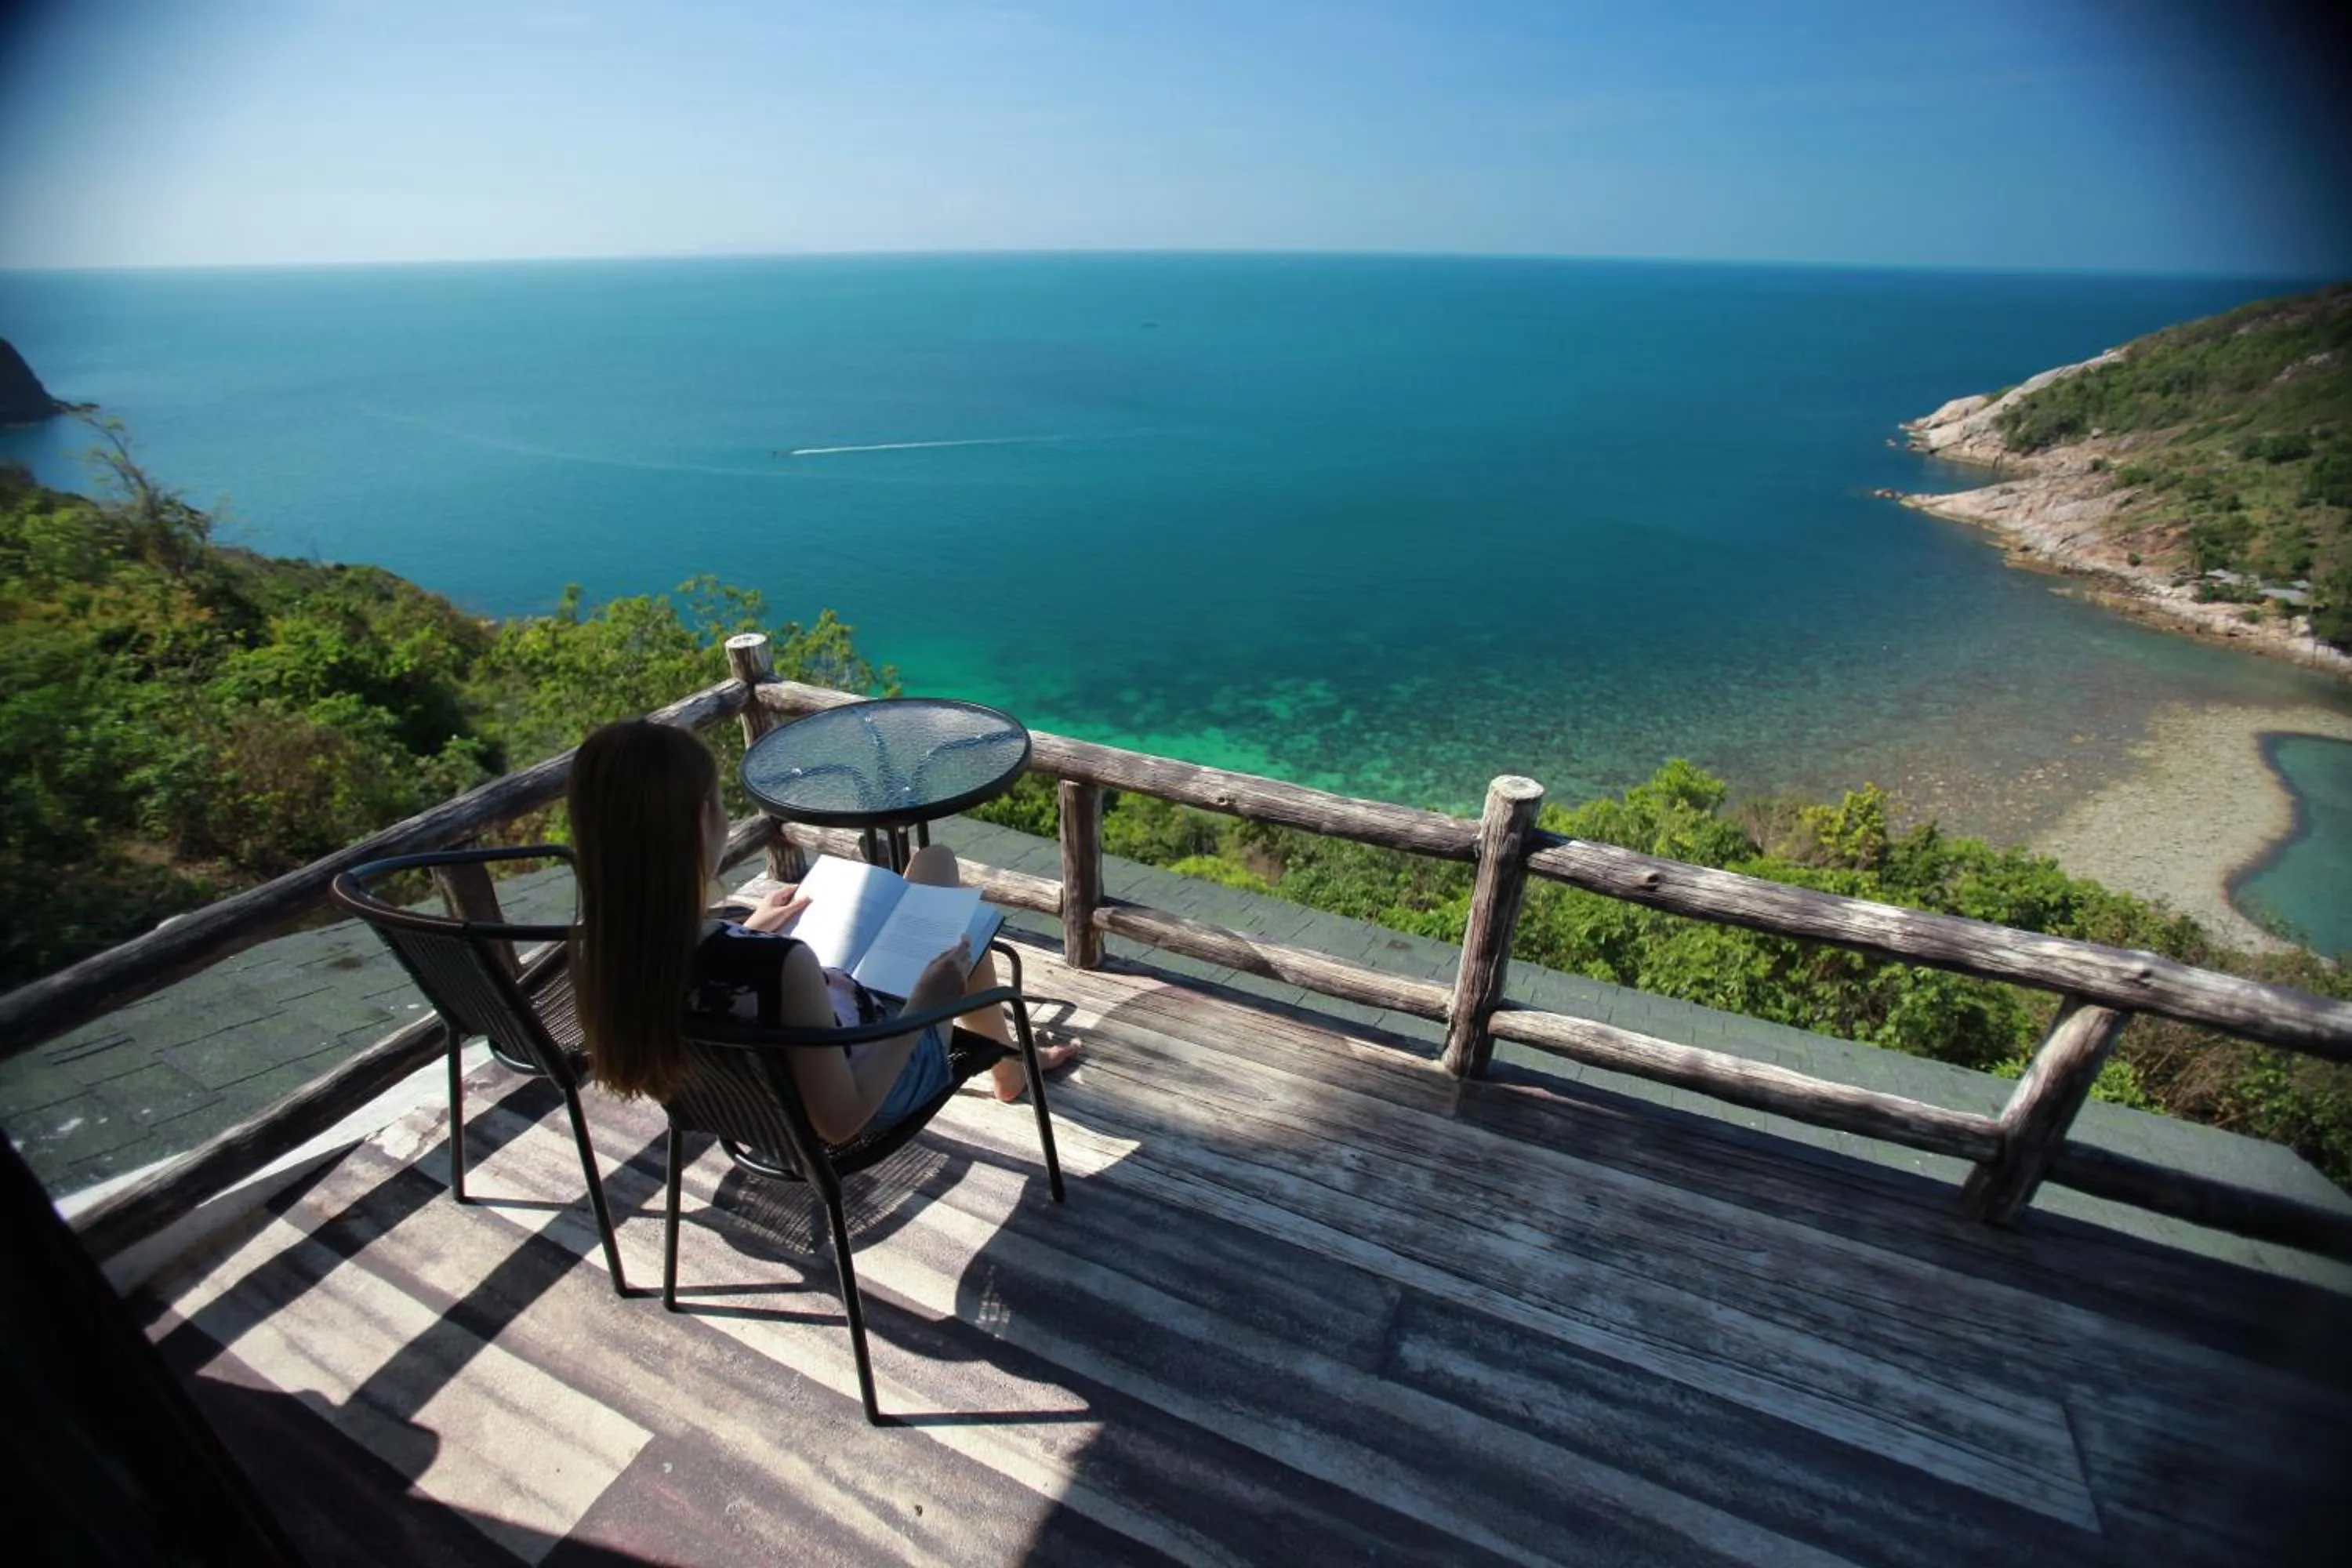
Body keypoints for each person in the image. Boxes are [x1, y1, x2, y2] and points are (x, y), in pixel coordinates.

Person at [566, 718, 1076, 1144]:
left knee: (939, 899)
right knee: (941, 885)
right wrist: (925, 1003)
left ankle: (1007, 1066)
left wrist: (751, 927)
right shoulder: (779, 966)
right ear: (702, 821)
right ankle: (1008, 1066)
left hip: (746, 1110)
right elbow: (840, 1122)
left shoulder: (603, 951)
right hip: (875, 1092)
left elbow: (709, 984)